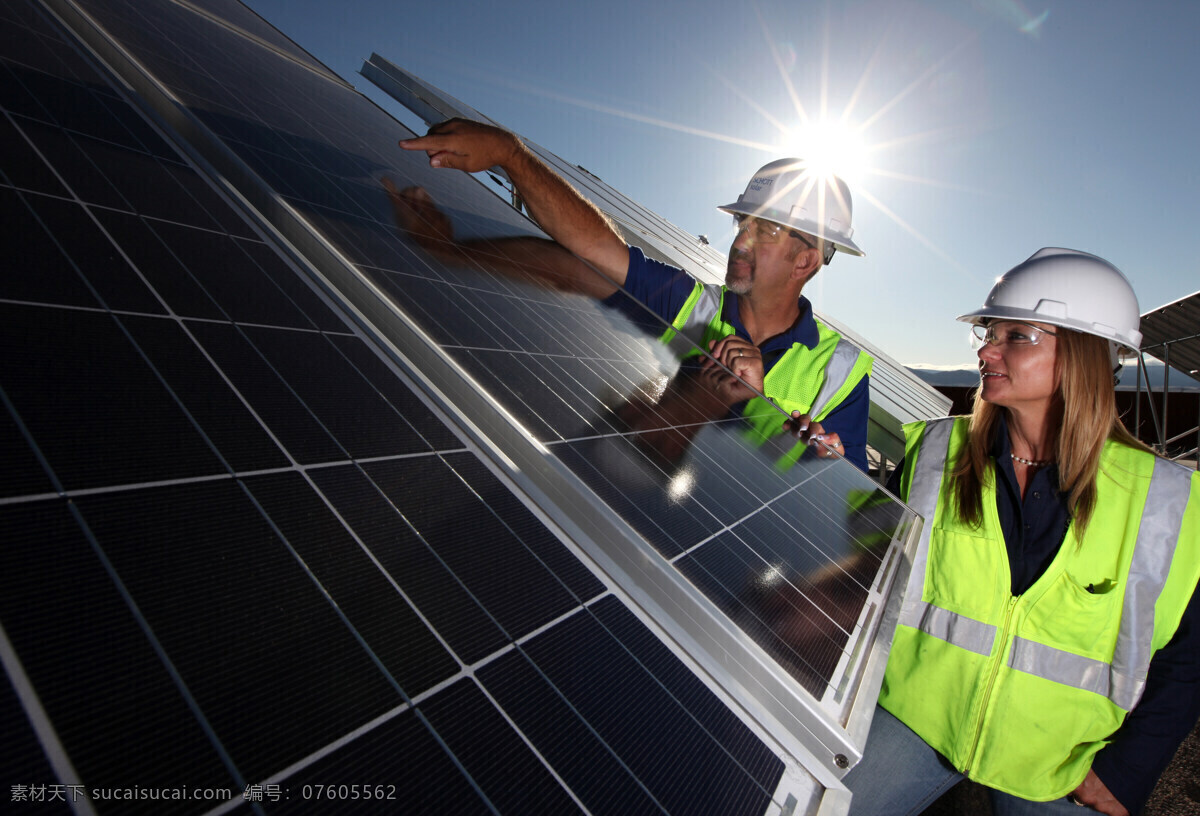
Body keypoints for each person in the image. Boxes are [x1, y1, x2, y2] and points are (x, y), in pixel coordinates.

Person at [828, 248, 1200, 815]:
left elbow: (1189, 657)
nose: (985, 349)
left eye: (1016, 336)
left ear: (1083, 356)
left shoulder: (1171, 501)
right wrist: (818, 471)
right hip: (918, 715)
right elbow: (868, 564)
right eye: (988, 332)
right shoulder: (936, 452)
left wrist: (1125, 773)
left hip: (1058, 760)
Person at [398, 119, 873, 471]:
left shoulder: (842, 371)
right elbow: (584, 260)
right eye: (742, 223)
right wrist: (508, 161)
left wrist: (786, 420)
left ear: (805, 261)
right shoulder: (687, 305)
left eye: (766, 228)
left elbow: (831, 496)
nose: (741, 241)